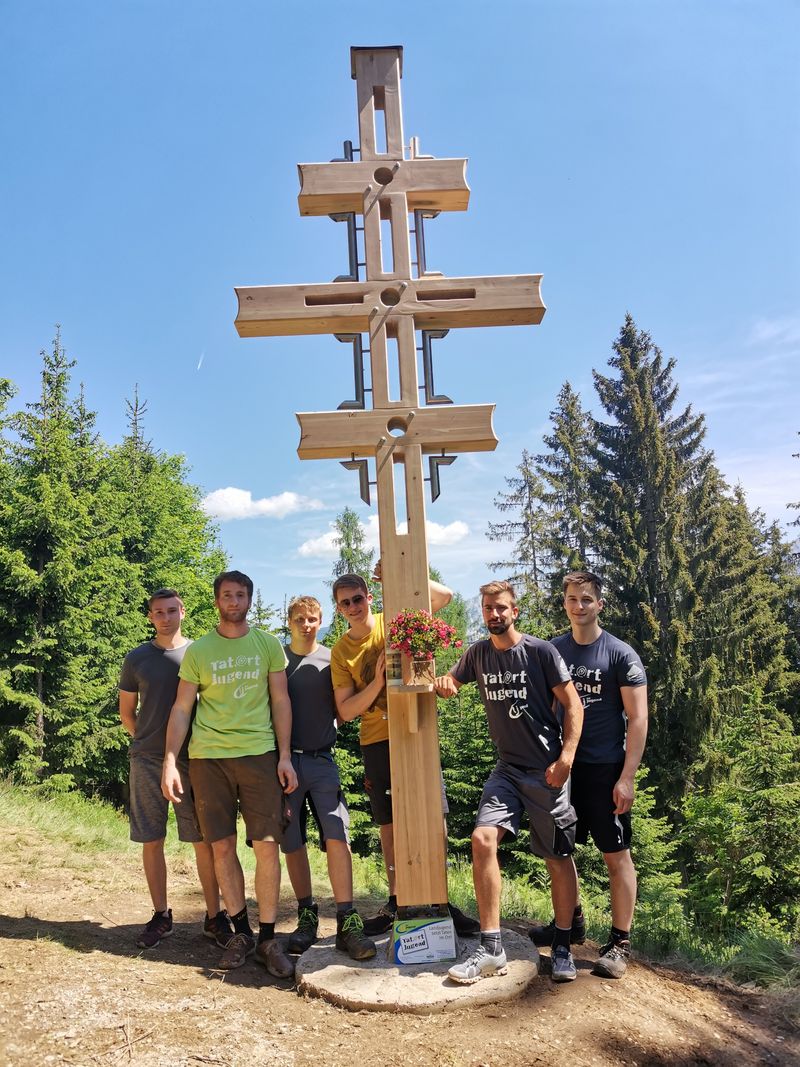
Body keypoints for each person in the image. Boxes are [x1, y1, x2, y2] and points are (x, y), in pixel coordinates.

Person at [435, 579, 585, 984]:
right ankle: (491, 947)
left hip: (546, 771)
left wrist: (566, 758)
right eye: (487, 608)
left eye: (501, 607)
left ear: (514, 611)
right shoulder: (478, 654)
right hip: (507, 770)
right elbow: (452, 682)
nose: (494, 614)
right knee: (482, 840)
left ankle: (563, 944)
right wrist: (445, 683)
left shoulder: (540, 652)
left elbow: (574, 704)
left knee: (557, 856)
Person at [161, 570, 298, 977]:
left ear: (249, 600)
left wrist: (284, 756)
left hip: (260, 755)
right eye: (226, 595)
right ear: (217, 600)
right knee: (221, 846)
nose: (233, 601)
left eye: (240, 595)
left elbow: (280, 700)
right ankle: (240, 933)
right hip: (208, 759)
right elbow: (182, 708)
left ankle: (268, 939)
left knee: (267, 847)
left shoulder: (267, 644)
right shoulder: (200, 651)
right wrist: (170, 760)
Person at [330, 569, 478, 937]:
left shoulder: (394, 620)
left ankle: (439, 898)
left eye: (358, 598)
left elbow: (443, 596)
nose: (353, 606)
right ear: (338, 609)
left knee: (433, 814)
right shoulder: (341, 651)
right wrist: (377, 682)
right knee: (389, 823)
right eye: (345, 603)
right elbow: (345, 710)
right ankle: (397, 900)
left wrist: (396, 577)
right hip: (376, 740)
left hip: (418, 730)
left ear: (369, 597)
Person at [530, 571, 648, 980]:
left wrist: (627, 777)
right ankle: (571, 922)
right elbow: (542, 708)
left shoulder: (620, 655)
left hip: (604, 770)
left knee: (616, 854)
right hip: (563, 768)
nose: (578, 606)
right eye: (571, 599)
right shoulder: (552, 651)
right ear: (564, 603)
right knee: (558, 853)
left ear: (600, 604)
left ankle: (619, 942)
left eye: (586, 599)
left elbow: (638, 719)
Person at [119, 588, 231, 950]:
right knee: (152, 838)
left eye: (171, 610)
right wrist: (148, 742)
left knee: (202, 840)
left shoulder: (200, 653)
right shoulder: (136, 658)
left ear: (182, 612)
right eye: (158, 612)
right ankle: (161, 915)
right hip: (147, 760)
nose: (165, 617)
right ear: (150, 617)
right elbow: (126, 713)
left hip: (194, 759)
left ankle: (214, 917)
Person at [281, 594, 375, 961]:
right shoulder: (277, 660)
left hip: (322, 759)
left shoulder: (331, 658)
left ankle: (347, 919)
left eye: (312, 619)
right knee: (292, 840)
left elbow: (346, 705)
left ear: (321, 622)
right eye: (299, 619)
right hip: (285, 763)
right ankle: (306, 915)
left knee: (337, 834)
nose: (306, 625)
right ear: (290, 622)